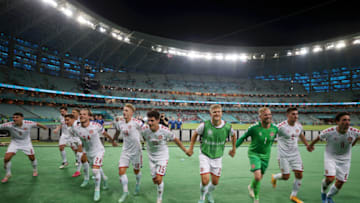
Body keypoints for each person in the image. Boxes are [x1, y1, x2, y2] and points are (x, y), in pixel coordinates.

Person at [187, 104, 236, 203]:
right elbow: (195, 133)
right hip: (205, 155)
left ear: (221, 113)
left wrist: (233, 149)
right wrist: (191, 148)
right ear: (210, 114)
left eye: (218, 112)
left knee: (215, 182)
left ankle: (209, 193)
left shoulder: (227, 126)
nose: (217, 114)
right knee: (205, 180)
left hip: (218, 157)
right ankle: (201, 198)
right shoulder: (204, 125)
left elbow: (234, 135)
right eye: (214, 112)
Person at [308, 112, 360, 203]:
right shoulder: (329, 132)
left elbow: (358, 137)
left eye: (348, 120)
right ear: (337, 122)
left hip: (345, 160)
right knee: (330, 178)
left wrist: (352, 145)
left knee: (340, 183)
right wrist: (310, 145)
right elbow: (318, 138)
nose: (347, 122)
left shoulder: (355, 131)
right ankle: (323, 192)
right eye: (344, 120)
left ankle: (329, 196)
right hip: (330, 157)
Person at [141, 110, 188, 203]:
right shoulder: (144, 130)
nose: (150, 123)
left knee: (158, 179)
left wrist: (185, 150)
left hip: (162, 156)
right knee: (155, 180)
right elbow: (142, 138)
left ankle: (159, 198)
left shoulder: (164, 130)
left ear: (158, 120)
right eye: (149, 121)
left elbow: (176, 140)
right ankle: (160, 173)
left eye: (152, 121)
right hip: (151, 157)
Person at [235, 107, 278, 203]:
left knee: (259, 177)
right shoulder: (253, 128)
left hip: (266, 156)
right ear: (260, 117)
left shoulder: (274, 129)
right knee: (258, 176)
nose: (268, 116)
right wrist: (234, 148)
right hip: (254, 154)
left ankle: (250, 186)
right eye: (266, 115)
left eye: (269, 114)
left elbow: (270, 142)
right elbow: (242, 138)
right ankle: (256, 198)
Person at [71, 108, 114, 201]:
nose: (82, 115)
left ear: (89, 117)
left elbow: (105, 134)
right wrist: (80, 150)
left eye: (84, 114)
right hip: (88, 152)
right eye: (81, 114)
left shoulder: (96, 125)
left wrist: (112, 141)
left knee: (95, 170)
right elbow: (77, 139)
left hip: (99, 150)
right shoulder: (76, 128)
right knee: (97, 168)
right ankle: (105, 179)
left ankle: (97, 190)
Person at [271, 107, 312, 203]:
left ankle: (293, 196)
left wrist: (307, 145)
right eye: (293, 114)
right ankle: (275, 177)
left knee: (299, 175)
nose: (296, 116)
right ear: (287, 115)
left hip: (295, 154)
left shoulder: (299, 126)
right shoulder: (281, 127)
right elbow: (271, 135)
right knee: (286, 177)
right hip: (283, 155)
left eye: (297, 114)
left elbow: (301, 134)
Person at [0, 112, 48, 183]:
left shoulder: (28, 123)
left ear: (22, 118)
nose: (14, 119)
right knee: (7, 158)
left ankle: (35, 170)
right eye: (13, 117)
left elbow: (37, 124)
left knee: (32, 158)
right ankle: (8, 174)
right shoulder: (9, 125)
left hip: (26, 143)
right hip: (14, 143)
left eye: (17, 117)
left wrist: (44, 127)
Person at [112, 104, 144, 202]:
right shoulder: (120, 123)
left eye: (126, 110)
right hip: (125, 151)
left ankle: (138, 184)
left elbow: (147, 130)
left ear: (132, 113)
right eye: (123, 110)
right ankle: (125, 192)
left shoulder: (137, 122)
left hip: (136, 151)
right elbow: (117, 131)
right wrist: (114, 140)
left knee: (136, 171)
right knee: (121, 171)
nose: (124, 112)